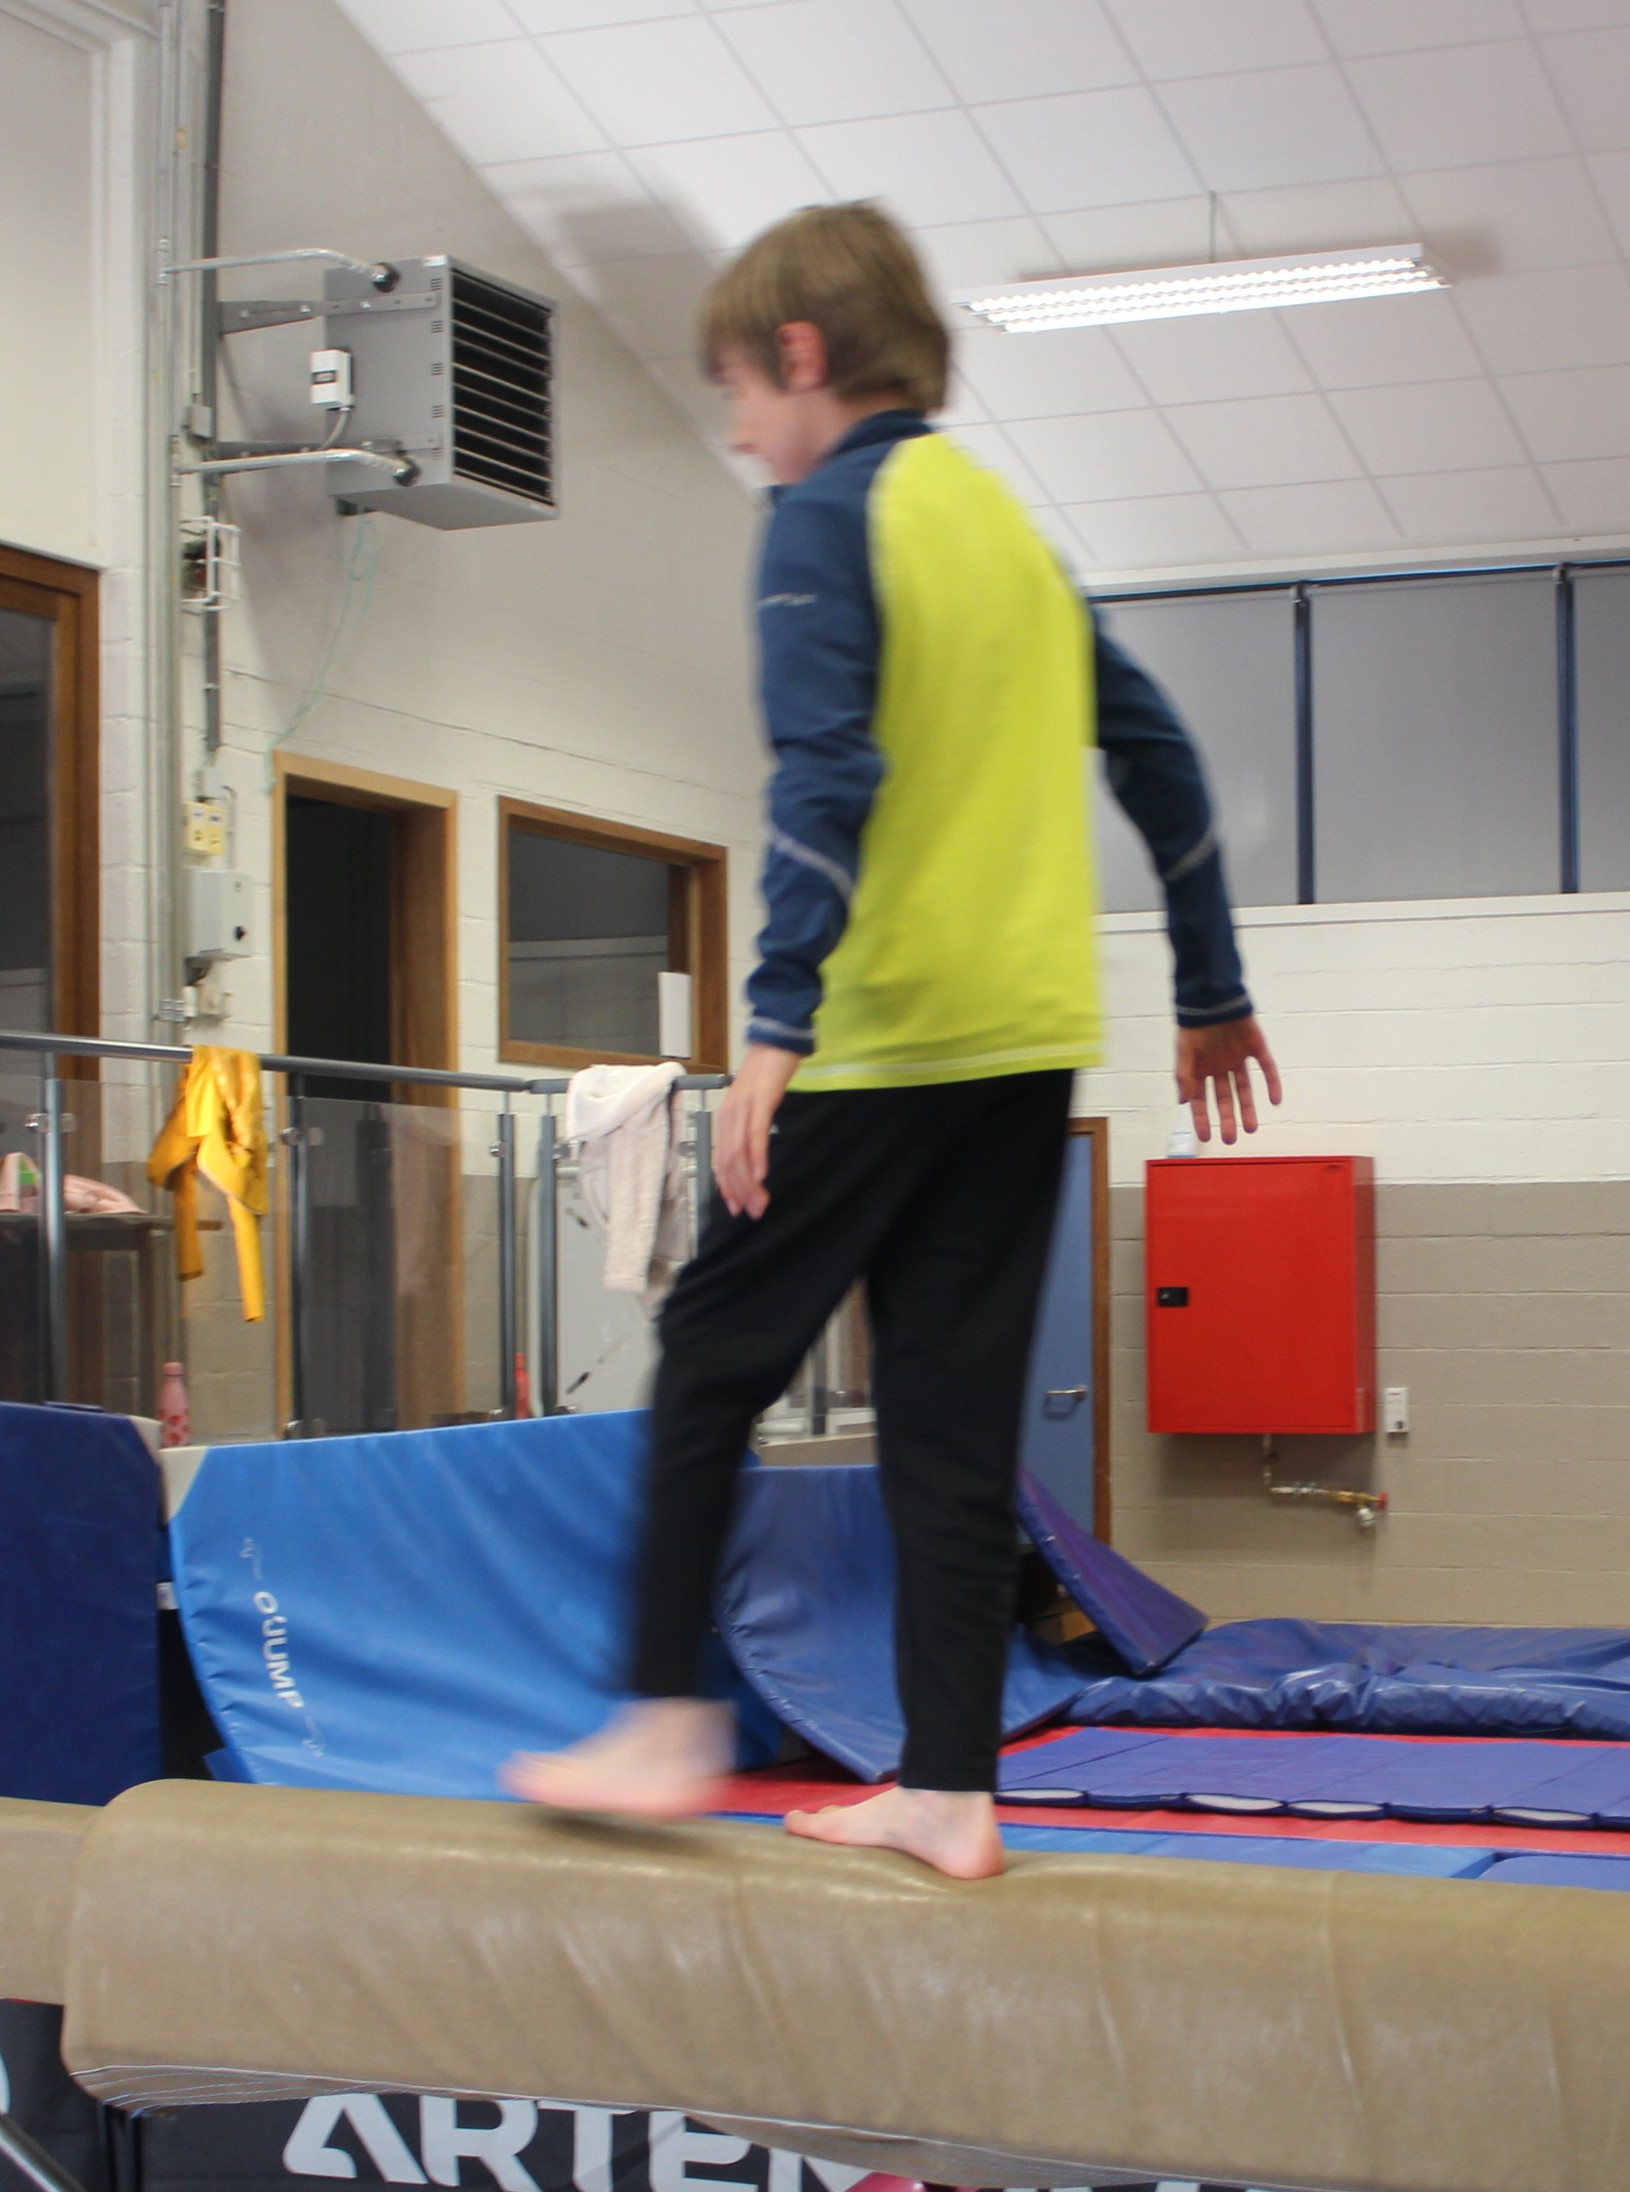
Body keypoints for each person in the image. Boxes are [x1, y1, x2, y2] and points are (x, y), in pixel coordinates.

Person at [501, 203, 1277, 1879]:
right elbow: (1162, 760)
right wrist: (1209, 984)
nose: (732, 433)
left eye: (735, 390)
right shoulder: (1004, 530)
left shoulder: (820, 517)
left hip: (883, 1038)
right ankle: (947, 1783)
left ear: (802, 356)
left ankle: (657, 1713)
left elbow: (823, 777)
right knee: (944, 1418)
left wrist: (773, 1028)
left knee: (710, 1352)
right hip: (1023, 1049)